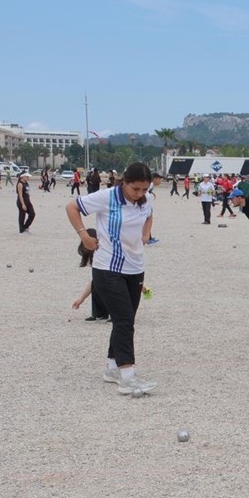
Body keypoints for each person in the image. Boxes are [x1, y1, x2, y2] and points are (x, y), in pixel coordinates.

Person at [64, 162, 156, 395]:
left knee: (125, 320)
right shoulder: (106, 197)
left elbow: (148, 215)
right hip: (108, 268)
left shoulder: (147, 199)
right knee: (124, 320)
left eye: (145, 189)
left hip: (136, 267)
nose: (140, 194)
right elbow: (71, 207)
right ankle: (128, 376)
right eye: (135, 189)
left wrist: (146, 234)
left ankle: (112, 368)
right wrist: (84, 235)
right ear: (124, 182)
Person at [71, 228, 110, 322]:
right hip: (102, 277)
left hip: (114, 276)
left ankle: (116, 314)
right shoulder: (88, 256)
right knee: (97, 284)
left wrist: (141, 287)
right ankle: (99, 313)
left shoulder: (106, 253)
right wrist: (81, 299)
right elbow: (93, 281)